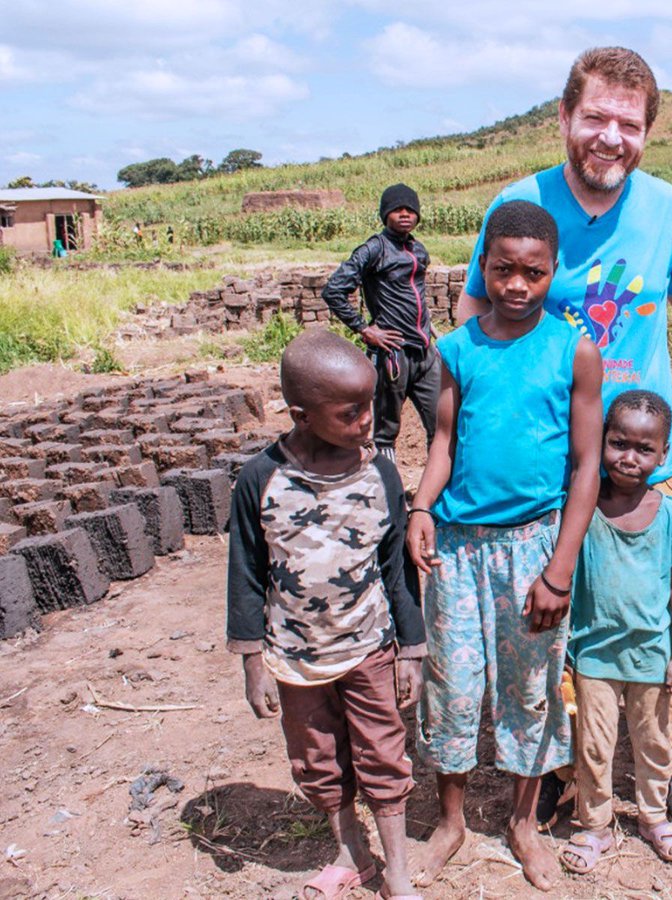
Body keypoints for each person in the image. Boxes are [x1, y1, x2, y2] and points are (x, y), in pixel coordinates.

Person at [456, 45, 672, 832]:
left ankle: (667, 764)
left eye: (629, 124)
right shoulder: (519, 204)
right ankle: (566, 767)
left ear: (648, 133)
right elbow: (474, 315)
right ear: (564, 116)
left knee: (654, 614)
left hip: (649, 459)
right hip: (554, 461)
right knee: (560, 619)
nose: (612, 137)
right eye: (597, 117)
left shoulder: (665, 206)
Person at [405, 200, 603, 892]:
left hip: (533, 548)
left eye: (533, 273)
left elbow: (586, 466)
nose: (517, 285)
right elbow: (443, 441)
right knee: (453, 687)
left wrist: (560, 567)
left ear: (554, 270)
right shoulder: (458, 348)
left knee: (530, 687)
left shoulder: (574, 351)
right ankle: (450, 821)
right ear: (483, 266)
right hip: (458, 550)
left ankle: (523, 822)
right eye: (503, 270)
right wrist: (422, 506)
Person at [226, 328, 424, 900]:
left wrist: (412, 650)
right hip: (294, 657)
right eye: (349, 413)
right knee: (317, 760)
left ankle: (397, 872)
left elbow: (395, 568)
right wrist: (253, 662)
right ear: (301, 416)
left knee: (384, 753)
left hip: (369, 646)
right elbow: (245, 573)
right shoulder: (261, 479)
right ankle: (351, 852)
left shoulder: (380, 473)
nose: (367, 421)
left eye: (370, 405)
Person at [560, 390, 672, 874]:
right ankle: (595, 824)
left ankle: (653, 816)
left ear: (664, 455)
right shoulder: (582, 508)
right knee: (594, 746)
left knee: (655, 742)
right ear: (602, 440)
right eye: (619, 443)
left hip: (651, 656)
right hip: (594, 655)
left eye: (645, 449)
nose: (629, 458)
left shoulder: (670, 517)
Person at [323, 183, 439, 460]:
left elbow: (415, 294)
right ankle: (388, 483)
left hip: (424, 352)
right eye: (397, 209)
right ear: (385, 214)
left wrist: (428, 326)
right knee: (386, 432)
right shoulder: (374, 249)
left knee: (442, 422)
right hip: (393, 354)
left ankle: (441, 485)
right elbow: (334, 290)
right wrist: (364, 329)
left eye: (410, 209)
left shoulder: (418, 250)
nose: (405, 214)